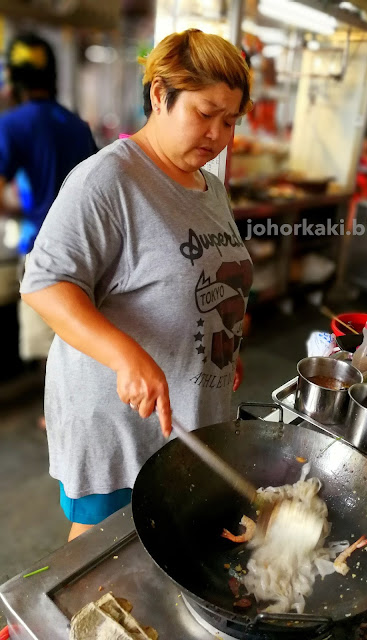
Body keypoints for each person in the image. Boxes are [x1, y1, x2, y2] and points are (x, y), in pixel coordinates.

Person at [20, 29, 253, 541]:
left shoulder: (210, 187)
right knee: (104, 566)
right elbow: (45, 284)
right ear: (159, 95)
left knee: (168, 555)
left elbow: (206, 277)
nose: (218, 134)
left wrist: (228, 339)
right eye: (204, 113)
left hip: (191, 414)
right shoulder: (107, 180)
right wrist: (126, 355)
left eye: (230, 120)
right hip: (120, 423)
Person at [0, 32, 97, 381]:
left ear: (13, 78)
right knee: (72, 340)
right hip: (83, 252)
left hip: (39, 251)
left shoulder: (11, 125)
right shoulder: (77, 125)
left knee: (48, 350)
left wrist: (19, 211)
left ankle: (53, 418)